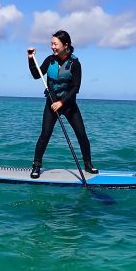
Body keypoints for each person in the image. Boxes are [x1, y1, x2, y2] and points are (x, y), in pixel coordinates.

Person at [27, 30, 97, 179]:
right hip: (51, 104)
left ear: (65, 45)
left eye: (55, 44)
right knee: (45, 135)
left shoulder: (75, 64)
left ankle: (88, 164)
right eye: (51, 44)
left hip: (69, 104)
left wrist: (62, 102)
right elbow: (35, 75)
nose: (52, 47)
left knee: (81, 135)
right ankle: (36, 166)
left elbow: (75, 88)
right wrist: (30, 59)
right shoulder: (49, 60)